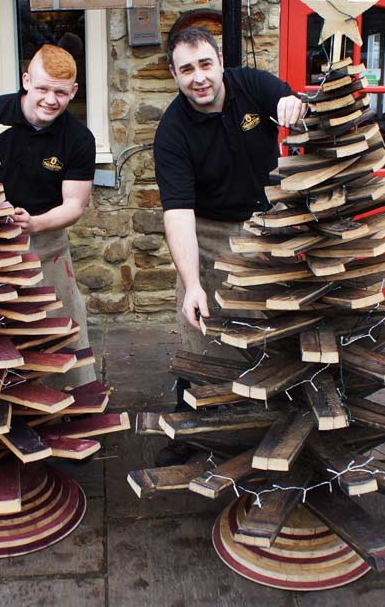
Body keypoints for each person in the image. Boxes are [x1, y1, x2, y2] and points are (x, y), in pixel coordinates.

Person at [153, 27, 306, 465]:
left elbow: (284, 100)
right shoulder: (172, 131)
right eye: (186, 69)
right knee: (197, 337)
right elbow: (178, 213)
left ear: (220, 62)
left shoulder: (251, 84)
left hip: (267, 228)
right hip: (208, 232)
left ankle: (268, 425)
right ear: (173, 74)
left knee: (265, 334)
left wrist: (291, 105)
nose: (198, 77)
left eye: (205, 65)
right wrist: (192, 282)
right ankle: (189, 429)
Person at [0, 44, 96, 386]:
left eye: (60, 92)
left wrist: (36, 223)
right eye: (42, 88)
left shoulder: (79, 139)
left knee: (64, 330)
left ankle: (78, 405)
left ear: (73, 92)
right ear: (27, 80)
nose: (50, 99)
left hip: (46, 247)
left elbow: (74, 205)